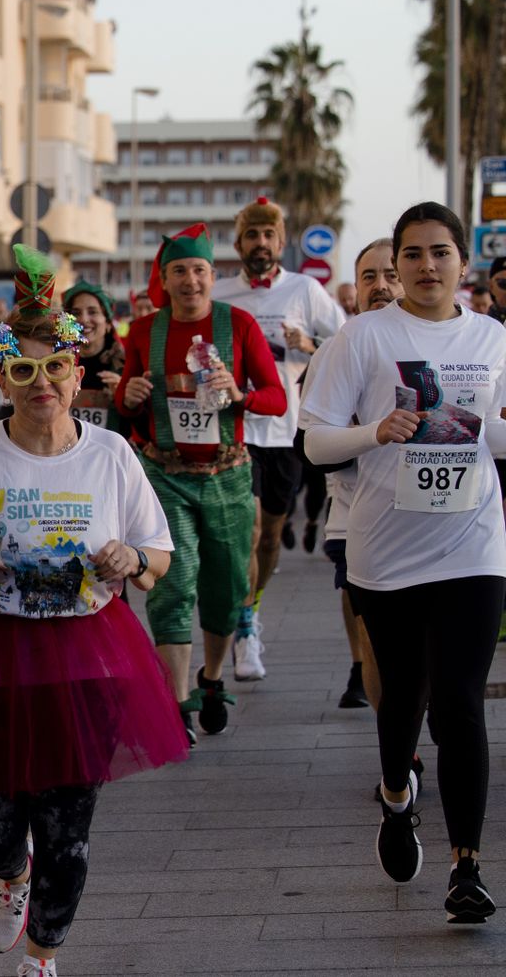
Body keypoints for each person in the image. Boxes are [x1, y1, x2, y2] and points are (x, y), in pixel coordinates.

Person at [0, 250, 184, 977]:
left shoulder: (112, 456)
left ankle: (43, 959)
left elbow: (159, 555)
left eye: (56, 369)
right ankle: (7, 875)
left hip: (88, 655)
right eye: (24, 371)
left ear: (78, 376)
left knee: (68, 832)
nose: (41, 384)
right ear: (2, 377)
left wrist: (130, 563)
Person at [303, 201, 506, 923]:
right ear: (398, 264)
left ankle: (468, 867)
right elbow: (316, 443)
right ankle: (396, 794)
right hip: (386, 555)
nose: (425, 267)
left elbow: (502, 437)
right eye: (412, 254)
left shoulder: (491, 339)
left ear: (462, 263)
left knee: (460, 703)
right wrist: (373, 431)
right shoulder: (362, 339)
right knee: (404, 702)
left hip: (473, 548)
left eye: (439, 252)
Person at [115, 224, 285, 742]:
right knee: (172, 581)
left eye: (198, 271)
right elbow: (124, 398)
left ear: (214, 276)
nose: (190, 281)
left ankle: (212, 679)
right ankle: (176, 702)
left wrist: (241, 395)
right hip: (164, 474)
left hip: (228, 474)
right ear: (163, 280)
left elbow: (277, 398)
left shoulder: (240, 324)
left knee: (226, 585)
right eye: (178, 272)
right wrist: (133, 391)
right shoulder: (144, 331)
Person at [212, 197, 345, 681]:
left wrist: (307, 345)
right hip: (236, 430)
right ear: (239, 243)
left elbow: (347, 342)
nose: (261, 244)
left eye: (269, 236)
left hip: (286, 430)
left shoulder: (305, 290)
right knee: (246, 533)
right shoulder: (221, 293)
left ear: (281, 242)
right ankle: (246, 627)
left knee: (270, 537)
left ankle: (255, 603)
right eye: (252, 236)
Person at [310, 238, 397, 714]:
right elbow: (316, 447)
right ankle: (401, 754)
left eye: (390, 275)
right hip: (357, 518)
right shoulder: (336, 350)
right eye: (369, 277)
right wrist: (370, 434)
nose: (380, 286)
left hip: (441, 523)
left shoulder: (459, 342)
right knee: (378, 641)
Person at [62, 279, 127, 437]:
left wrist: (125, 399)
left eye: (93, 312)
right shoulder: (55, 363)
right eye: (76, 313)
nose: (84, 320)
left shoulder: (127, 365)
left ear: (108, 322)